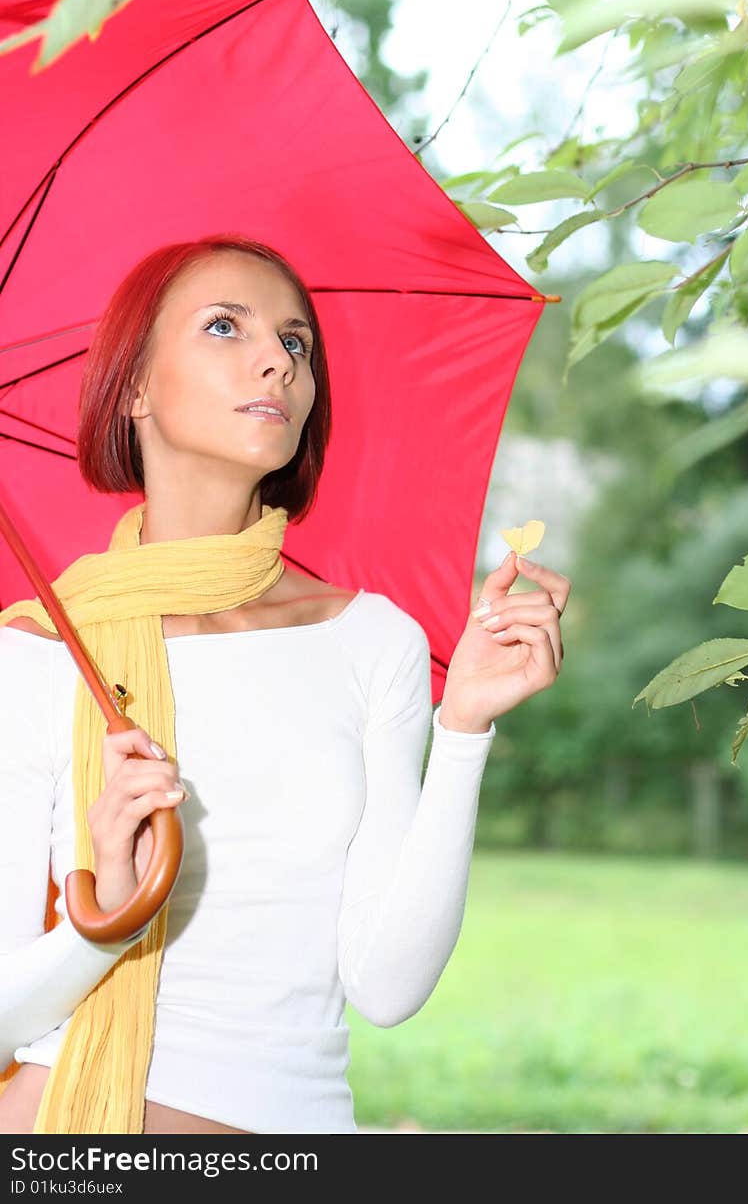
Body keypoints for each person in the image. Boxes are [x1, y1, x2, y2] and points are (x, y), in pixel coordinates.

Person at [0, 234, 568, 1135]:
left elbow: (385, 985)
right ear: (135, 387)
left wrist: (463, 730)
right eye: (225, 326)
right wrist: (102, 917)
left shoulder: (371, 641)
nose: (277, 359)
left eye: (296, 343)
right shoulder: (37, 651)